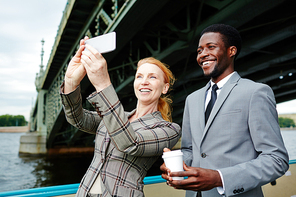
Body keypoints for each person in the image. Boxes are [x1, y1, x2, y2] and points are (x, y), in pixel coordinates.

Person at [160, 24, 289, 197]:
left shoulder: (255, 92)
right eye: (199, 50)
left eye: (211, 47)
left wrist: (219, 178)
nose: (203, 54)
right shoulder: (192, 99)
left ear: (231, 51)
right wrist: (176, 165)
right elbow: (191, 150)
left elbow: (276, 160)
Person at [60, 36, 181, 197]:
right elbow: (77, 118)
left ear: (165, 88)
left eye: (152, 77)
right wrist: (70, 82)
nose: (144, 81)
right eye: (139, 76)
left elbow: (131, 143)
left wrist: (103, 85)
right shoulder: (116, 116)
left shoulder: (169, 129)